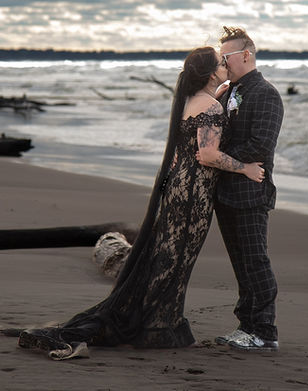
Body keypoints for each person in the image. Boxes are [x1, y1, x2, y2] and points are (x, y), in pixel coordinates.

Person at [9, 46, 265, 360]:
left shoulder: (191, 101)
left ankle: (158, 324)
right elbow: (208, 155)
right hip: (193, 196)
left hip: (179, 190)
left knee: (166, 261)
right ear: (211, 73)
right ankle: (156, 328)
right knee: (175, 264)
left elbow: (182, 154)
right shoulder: (210, 106)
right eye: (220, 62)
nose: (225, 64)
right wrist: (246, 168)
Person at [199, 27, 284, 351]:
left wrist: (219, 158)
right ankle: (246, 326)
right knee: (239, 263)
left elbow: (260, 145)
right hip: (225, 191)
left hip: (251, 192)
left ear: (246, 55)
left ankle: (264, 331)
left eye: (227, 57)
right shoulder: (225, 91)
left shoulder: (265, 94)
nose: (223, 62)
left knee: (255, 261)